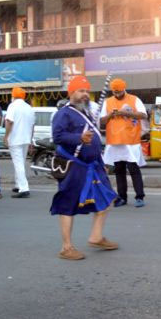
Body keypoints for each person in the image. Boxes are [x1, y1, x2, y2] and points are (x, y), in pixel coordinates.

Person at [51, 75, 118, 260]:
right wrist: (78, 138)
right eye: (81, 91)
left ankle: (96, 236)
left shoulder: (88, 113)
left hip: (93, 165)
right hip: (74, 165)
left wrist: (101, 162)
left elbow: (94, 139)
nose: (85, 95)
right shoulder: (63, 114)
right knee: (67, 204)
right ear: (71, 92)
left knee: (106, 197)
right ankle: (66, 247)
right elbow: (57, 137)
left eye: (87, 91)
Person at [100, 79, 147, 208]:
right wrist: (110, 115)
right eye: (115, 92)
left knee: (133, 169)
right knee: (119, 170)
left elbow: (143, 115)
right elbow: (102, 121)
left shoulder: (134, 99)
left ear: (124, 89)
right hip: (115, 141)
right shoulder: (108, 102)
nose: (117, 94)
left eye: (119, 92)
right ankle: (122, 197)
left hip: (131, 141)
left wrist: (124, 113)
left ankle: (139, 197)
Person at [4, 87, 35, 199]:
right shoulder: (29, 108)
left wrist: (6, 136)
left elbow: (9, 121)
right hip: (26, 139)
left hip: (15, 139)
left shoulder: (12, 106)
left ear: (13, 96)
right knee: (20, 163)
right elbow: (32, 126)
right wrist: (31, 140)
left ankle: (24, 188)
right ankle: (18, 185)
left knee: (18, 164)